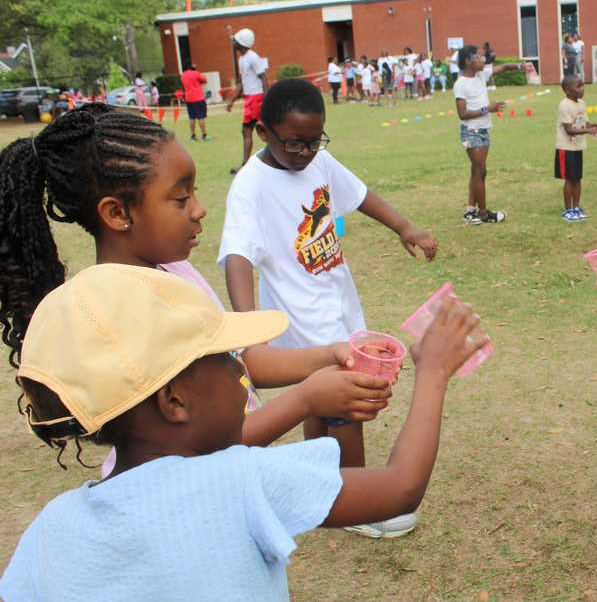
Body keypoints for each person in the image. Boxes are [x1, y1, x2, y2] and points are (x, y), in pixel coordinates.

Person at [0, 263, 487, 599]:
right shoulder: (240, 481)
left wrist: (309, 397)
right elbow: (400, 487)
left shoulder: (51, 528)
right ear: (174, 401)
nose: (243, 370)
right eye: (229, 358)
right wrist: (434, 372)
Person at [0, 104, 394, 470]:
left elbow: (243, 363)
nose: (200, 209)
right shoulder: (128, 315)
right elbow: (198, 450)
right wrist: (308, 399)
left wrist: (331, 354)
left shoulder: (173, 273)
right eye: (181, 197)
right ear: (117, 213)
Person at [219, 78, 438, 538]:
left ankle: (317, 495)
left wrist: (405, 227)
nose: (303, 152)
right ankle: (358, 506)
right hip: (303, 321)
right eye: (293, 143)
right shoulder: (251, 185)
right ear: (264, 132)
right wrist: (246, 328)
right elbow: (237, 255)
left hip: (338, 306)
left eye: (313, 141)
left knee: (320, 408)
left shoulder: (320, 162)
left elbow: (359, 195)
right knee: (346, 406)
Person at [454, 45, 525, 224]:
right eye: (478, 57)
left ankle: (470, 211)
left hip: (484, 130)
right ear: (468, 61)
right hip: (471, 132)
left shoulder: (481, 75)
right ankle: (484, 213)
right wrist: (488, 109)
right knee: (480, 171)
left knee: (477, 171)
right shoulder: (461, 84)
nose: (482, 59)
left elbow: (502, 68)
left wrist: (519, 66)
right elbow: (462, 114)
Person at [556, 75, 597, 222]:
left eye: (582, 85)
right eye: (578, 86)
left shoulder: (582, 104)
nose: (582, 88)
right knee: (569, 180)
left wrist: (596, 126)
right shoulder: (564, 105)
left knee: (577, 179)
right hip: (566, 148)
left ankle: (576, 207)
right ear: (567, 90)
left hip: (578, 147)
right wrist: (588, 131)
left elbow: (584, 123)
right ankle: (568, 210)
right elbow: (569, 130)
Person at [225, 28, 269, 175]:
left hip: (256, 98)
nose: (233, 42)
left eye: (235, 40)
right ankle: (246, 165)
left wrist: (267, 99)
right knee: (250, 131)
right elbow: (242, 83)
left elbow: (263, 77)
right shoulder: (242, 59)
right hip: (250, 98)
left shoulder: (252, 57)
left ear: (241, 43)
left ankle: (246, 165)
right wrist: (231, 100)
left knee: (252, 130)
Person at [180, 63, 209, 141]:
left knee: (191, 118)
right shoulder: (196, 73)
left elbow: (183, 86)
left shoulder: (182, 75)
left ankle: (193, 135)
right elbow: (205, 80)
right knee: (201, 117)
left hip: (188, 99)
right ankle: (204, 135)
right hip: (198, 98)